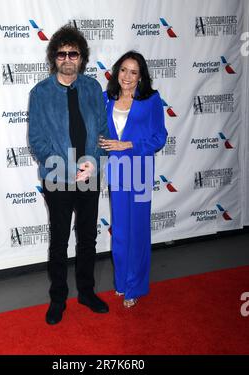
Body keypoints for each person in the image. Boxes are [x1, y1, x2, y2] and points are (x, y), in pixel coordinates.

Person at [28, 25, 109, 325]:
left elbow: (102, 133)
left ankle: (86, 293)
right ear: (54, 58)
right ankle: (58, 299)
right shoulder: (40, 93)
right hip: (57, 178)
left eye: (73, 53)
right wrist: (65, 166)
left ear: (81, 57)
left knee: (87, 238)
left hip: (90, 174)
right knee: (59, 240)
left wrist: (95, 163)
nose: (67, 58)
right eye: (61, 53)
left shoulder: (92, 89)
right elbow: (37, 140)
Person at [99, 51, 167, 308]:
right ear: (117, 72)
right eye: (124, 70)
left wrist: (128, 144)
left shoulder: (151, 100)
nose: (127, 76)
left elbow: (159, 137)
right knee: (120, 231)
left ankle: (135, 286)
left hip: (139, 171)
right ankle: (121, 283)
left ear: (141, 76)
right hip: (116, 172)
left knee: (137, 230)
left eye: (133, 72)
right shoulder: (106, 99)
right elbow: (100, 132)